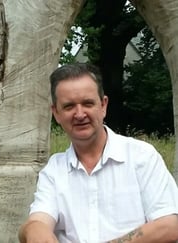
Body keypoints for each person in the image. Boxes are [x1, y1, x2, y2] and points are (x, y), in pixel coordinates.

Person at [19, 63, 178, 243]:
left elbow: (170, 226)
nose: (79, 114)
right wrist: (33, 230)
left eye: (87, 103)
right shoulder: (54, 170)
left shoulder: (141, 156)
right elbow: (38, 221)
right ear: (56, 113)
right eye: (69, 106)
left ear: (103, 105)